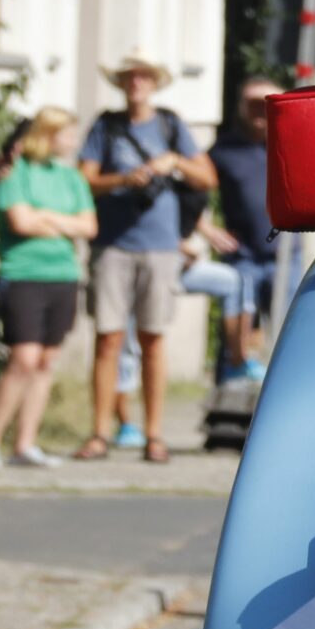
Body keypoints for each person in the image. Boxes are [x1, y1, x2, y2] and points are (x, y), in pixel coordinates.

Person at [75, 52, 214, 464]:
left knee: (152, 338)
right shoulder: (106, 125)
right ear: (121, 84)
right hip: (113, 243)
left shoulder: (171, 125)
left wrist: (173, 163)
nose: (136, 83)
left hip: (159, 245)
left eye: (143, 77)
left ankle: (154, 434)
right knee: (108, 339)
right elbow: (84, 179)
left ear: (154, 83)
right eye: (129, 78)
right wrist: (123, 178)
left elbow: (207, 178)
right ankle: (100, 432)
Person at [0, 110, 96, 470]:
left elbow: (89, 226)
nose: (74, 141)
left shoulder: (71, 177)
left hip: (63, 274)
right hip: (23, 274)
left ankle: (25, 444)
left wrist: (45, 218)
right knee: (24, 358)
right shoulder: (15, 172)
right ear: (46, 134)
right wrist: (63, 224)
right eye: (67, 133)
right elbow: (20, 221)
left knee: (46, 361)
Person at [189, 77, 278, 382]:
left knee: (289, 331)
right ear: (240, 107)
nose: (258, 111)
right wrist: (204, 227)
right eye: (251, 104)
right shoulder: (224, 150)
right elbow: (188, 188)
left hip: (286, 256)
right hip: (243, 257)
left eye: (265, 104)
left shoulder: (291, 143)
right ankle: (226, 398)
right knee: (235, 331)